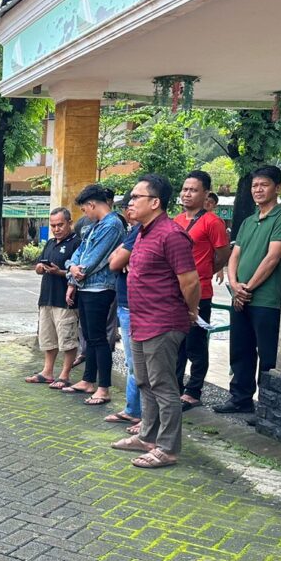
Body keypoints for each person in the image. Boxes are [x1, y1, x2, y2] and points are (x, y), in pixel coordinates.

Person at [112, 173, 200, 468]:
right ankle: (147, 436)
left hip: (163, 322)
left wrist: (189, 312)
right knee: (144, 381)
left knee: (163, 385)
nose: (130, 201)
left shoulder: (171, 235)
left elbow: (190, 282)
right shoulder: (142, 232)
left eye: (136, 197)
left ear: (155, 202)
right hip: (140, 320)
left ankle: (167, 448)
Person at [215, 165, 281, 414]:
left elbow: (273, 257)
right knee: (240, 349)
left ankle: (267, 407)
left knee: (267, 356)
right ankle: (240, 399)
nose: (258, 190)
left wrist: (247, 288)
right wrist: (235, 286)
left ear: (277, 188)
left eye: (264, 185)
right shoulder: (248, 221)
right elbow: (235, 254)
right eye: (255, 185)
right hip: (240, 297)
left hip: (266, 299)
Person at [173, 170, 231, 410]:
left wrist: (204, 271)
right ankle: (173, 388)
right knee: (176, 344)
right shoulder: (176, 220)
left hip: (200, 292)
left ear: (206, 194)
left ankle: (194, 391)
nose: (187, 194)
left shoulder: (212, 222)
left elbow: (222, 254)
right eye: (185, 189)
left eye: (193, 190)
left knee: (195, 344)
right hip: (174, 292)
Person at [65, 185, 124, 405]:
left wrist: (76, 271)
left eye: (84, 209)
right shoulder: (94, 226)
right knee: (90, 337)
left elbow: (93, 260)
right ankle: (88, 380)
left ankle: (103, 387)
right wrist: (72, 268)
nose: (85, 214)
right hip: (86, 287)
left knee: (99, 339)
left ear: (92, 204)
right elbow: (78, 254)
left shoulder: (112, 225)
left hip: (101, 288)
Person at [25, 208, 80, 387]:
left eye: (60, 225)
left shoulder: (77, 243)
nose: (56, 229)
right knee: (47, 337)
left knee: (67, 339)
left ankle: (64, 375)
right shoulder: (50, 243)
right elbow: (39, 265)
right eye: (53, 225)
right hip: (46, 297)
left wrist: (60, 272)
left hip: (65, 300)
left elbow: (79, 272)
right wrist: (40, 268)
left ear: (69, 223)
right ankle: (47, 372)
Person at [106, 197, 142, 428]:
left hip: (136, 307)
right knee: (133, 363)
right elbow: (116, 260)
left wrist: (122, 257)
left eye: (134, 202)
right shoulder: (134, 230)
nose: (129, 208)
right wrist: (121, 255)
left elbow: (115, 262)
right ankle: (132, 409)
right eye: (127, 205)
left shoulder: (145, 231)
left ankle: (141, 416)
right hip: (126, 303)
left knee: (138, 365)